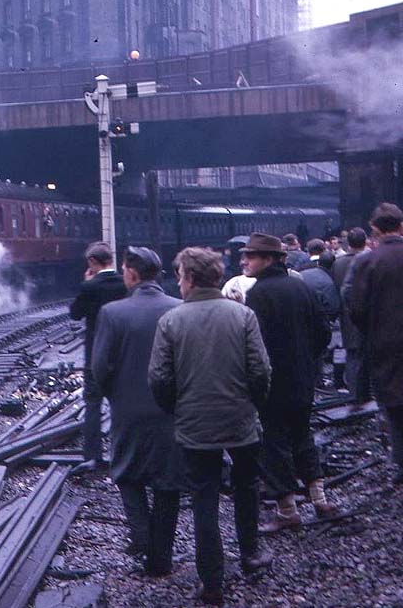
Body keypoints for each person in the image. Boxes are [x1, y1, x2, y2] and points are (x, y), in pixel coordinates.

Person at [148, 247, 273, 605]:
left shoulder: (170, 322)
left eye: (180, 275)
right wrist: (253, 404)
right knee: (247, 483)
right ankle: (249, 553)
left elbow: (158, 379)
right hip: (240, 418)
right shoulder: (243, 315)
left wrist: (176, 408)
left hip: (194, 422)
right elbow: (261, 371)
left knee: (204, 497)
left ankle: (212, 581)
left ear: (188, 278)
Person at [91, 246, 184, 576]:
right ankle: (161, 558)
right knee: (168, 481)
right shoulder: (179, 308)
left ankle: (142, 538)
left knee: (128, 474)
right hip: (171, 408)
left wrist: (114, 395)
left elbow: (99, 368)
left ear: (130, 273)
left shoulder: (113, 313)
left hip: (127, 408)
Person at [241, 233, 337, 530]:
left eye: (251, 256)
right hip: (303, 378)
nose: (244, 260)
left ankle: (287, 510)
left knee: (275, 442)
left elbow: (253, 345)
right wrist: (307, 360)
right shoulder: (301, 286)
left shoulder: (258, 294)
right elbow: (323, 332)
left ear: (268, 259)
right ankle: (320, 499)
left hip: (273, 382)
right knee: (302, 434)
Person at [348, 203, 403, 486]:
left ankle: (402, 464)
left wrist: (372, 329)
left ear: (375, 230)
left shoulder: (367, 262)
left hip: (385, 343)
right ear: (401, 227)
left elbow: (356, 308)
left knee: (394, 404)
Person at [70, 241, 129, 464]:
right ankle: (121, 453)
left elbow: (75, 314)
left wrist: (87, 282)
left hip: (95, 352)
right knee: (120, 403)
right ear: (110, 260)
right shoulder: (125, 284)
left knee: (93, 403)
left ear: (93, 262)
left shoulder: (90, 287)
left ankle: (93, 455)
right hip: (120, 352)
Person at [333, 228, 369, 401]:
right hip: (370, 315)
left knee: (352, 356)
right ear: (365, 241)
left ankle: (355, 394)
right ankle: (367, 393)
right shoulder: (370, 260)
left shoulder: (338, 263)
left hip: (347, 315)